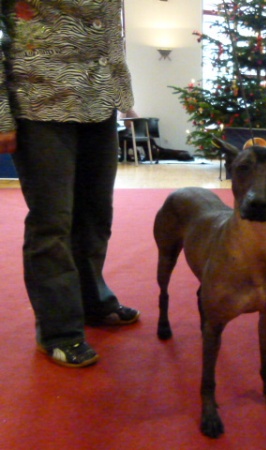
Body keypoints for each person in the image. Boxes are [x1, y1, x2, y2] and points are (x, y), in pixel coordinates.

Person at [0, 1, 140, 368]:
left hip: (99, 99)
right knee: (52, 222)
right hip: (38, 101)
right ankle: (59, 331)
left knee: (95, 215)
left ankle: (94, 302)